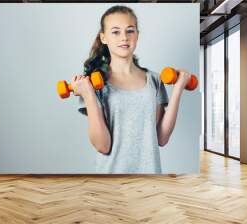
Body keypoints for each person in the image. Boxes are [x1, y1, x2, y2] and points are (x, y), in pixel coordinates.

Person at [71, 5, 191, 174]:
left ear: (137, 35)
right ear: (103, 37)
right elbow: (102, 146)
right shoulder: (93, 85)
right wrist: (89, 95)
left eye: (130, 31)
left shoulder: (154, 80)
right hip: (111, 180)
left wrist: (178, 88)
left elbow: (162, 138)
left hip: (150, 178)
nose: (124, 38)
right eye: (115, 32)